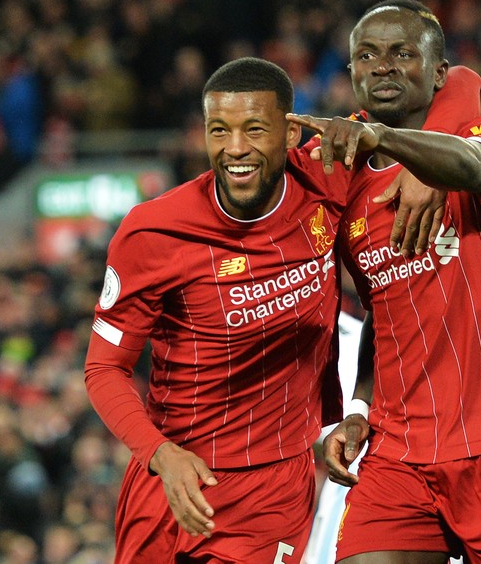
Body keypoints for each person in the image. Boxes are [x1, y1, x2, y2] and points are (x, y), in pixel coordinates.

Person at [83, 56, 445, 563]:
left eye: (254, 129)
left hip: (271, 493)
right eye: (219, 130)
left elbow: (449, 90)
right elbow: (103, 368)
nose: (235, 149)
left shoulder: (327, 175)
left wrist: (430, 171)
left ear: (292, 132)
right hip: (172, 479)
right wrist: (161, 456)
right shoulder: (153, 233)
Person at [288, 0, 481, 563]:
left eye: (401, 53)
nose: (382, 66)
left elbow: (474, 164)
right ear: (350, 74)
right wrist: (358, 410)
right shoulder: (349, 187)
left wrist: (393, 145)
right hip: (398, 452)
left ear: (438, 73)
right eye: (366, 55)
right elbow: (380, 313)